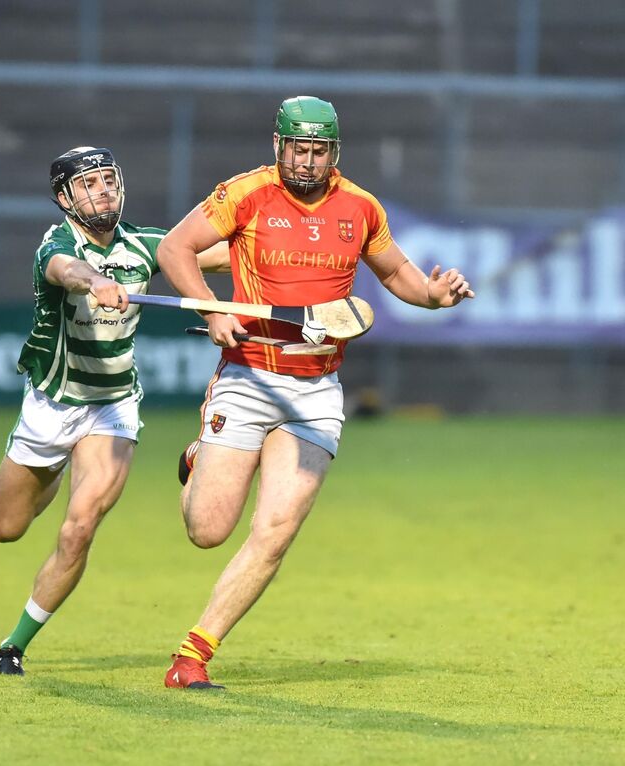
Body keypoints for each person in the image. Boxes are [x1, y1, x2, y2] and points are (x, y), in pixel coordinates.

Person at [154, 96, 475, 690]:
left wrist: (436, 295)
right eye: (297, 148)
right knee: (207, 530)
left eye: (318, 149)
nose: (306, 160)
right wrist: (211, 305)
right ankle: (199, 457)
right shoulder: (245, 193)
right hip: (247, 376)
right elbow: (173, 247)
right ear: (278, 145)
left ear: (335, 152)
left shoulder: (360, 206)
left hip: (315, 392)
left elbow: (400, 276)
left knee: (275, 531)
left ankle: (191, 657)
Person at [0, 146, 228, 675]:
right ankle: (54, 466)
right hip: (50, 406)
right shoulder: (57, 244)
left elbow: (218, 253)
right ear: (64, 197)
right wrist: (97, 281)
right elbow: (66, 270)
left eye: (109, 181)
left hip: (112, 407)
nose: (104, 191)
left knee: (79, 529)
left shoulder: (144, 246)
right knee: (7, 528)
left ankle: (14, 645)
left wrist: (288, 249)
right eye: (90, 184)